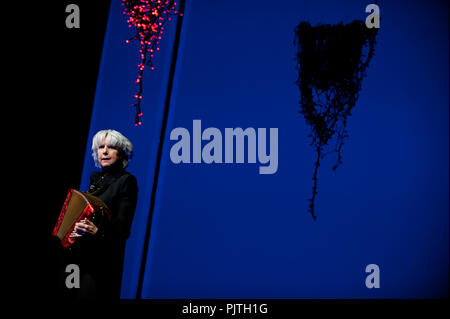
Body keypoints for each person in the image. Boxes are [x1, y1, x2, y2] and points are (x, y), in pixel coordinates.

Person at [63, 129, 138, 299]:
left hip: (101, 264)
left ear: (121, 153)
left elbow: (122, 228)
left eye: (111, 147)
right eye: (100, 147)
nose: (104, 151)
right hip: (78, 260)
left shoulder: (126, 181)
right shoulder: (95, 180)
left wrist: (98, 232)